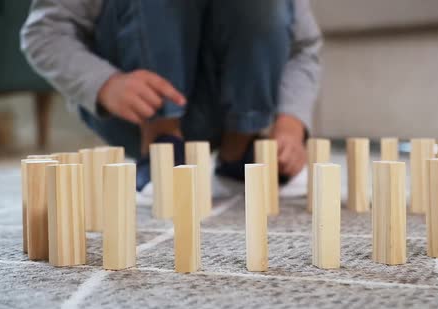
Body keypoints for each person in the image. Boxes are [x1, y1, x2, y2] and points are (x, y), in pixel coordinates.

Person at [20, 0, 322, 191]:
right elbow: (42, 34)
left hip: (225, 111)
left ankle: (238, 149)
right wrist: (106, 84)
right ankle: (161, 146)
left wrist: (290, 122)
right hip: (132, 114)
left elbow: (304, 48)